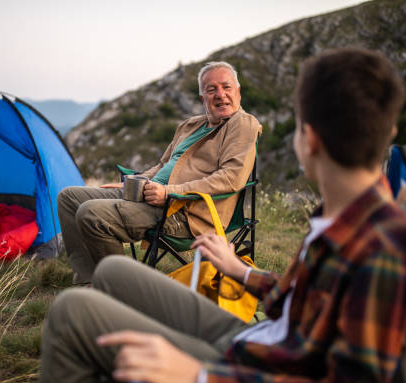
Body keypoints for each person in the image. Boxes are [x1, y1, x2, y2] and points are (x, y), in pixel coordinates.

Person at [37, 48, 406, 383]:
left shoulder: (380, 244)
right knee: (112, 269)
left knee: (73, 312)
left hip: (251, 368)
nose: (219, 96)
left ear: (310, 140)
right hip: (258, 339)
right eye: (211, 90)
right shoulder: (344, 218)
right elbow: (303, 304)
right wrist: (243, 272)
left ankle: (121, 370)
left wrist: (200, 377)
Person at [57, 61, 261, 284]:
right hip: (152, 195)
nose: (220, 95)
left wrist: (169, 192)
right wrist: (133, 182)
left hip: (185, 211)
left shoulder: (242, 124)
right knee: (69, 198)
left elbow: (231, 178)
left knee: (91, 214)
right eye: (211, 89)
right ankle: (88, 280)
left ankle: (123, 291)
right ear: (203, 98)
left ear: (238, 92)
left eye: (226, 87)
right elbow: (163, 165)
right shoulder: (190, 126)